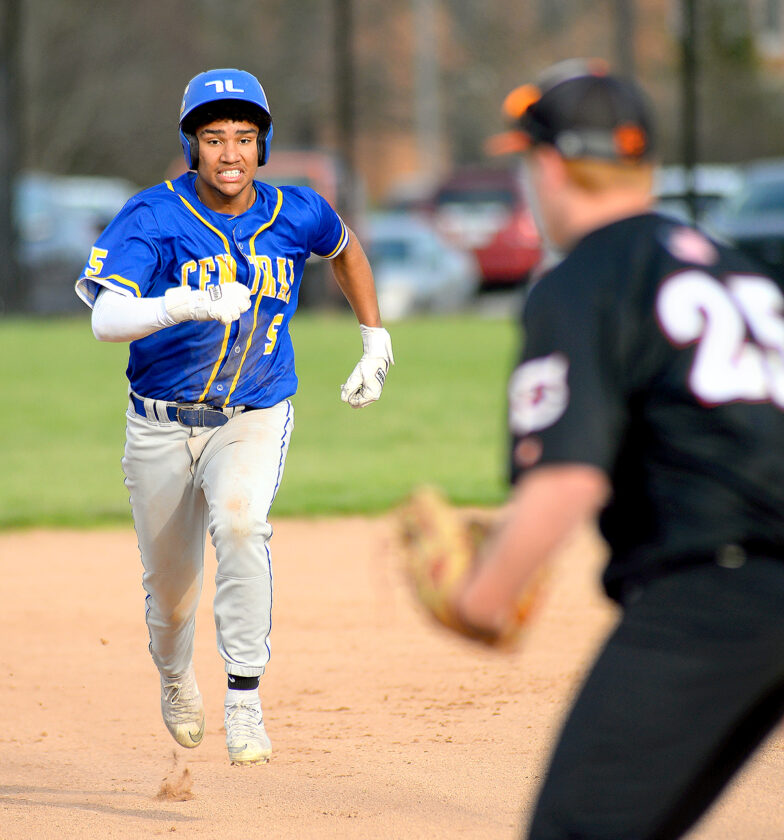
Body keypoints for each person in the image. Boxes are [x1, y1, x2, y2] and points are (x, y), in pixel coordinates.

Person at [449, 59, 784, 837]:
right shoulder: (738, 269)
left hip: (714, 594)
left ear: (547, 166)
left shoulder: (584, 279)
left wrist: (481, 598)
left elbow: (568, 480)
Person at [75, 68, 392, 766]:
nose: (230, 153)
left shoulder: (295, 211)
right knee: (170, 594)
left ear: (263, 145)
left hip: (254, 411)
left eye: (245, 138)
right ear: (191, 146)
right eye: (214, 137)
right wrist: (181, 304)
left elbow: (344, 249)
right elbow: (105, 318)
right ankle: (174, 675)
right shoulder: (153, 216)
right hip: (160, 422)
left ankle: (244, 696)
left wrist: (375, 341)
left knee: (243, 524)